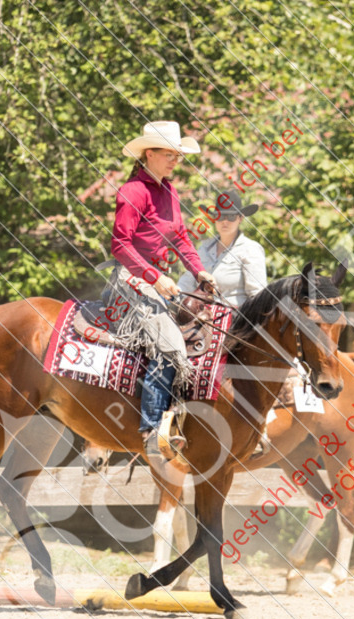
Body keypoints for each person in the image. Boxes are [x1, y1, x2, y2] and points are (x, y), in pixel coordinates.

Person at [106, 121, 217, 457]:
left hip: (160, 282)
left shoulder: (169, 191)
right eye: (168, 154)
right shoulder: (133, 191)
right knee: (170, 347)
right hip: (132, 281)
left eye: (177, 155)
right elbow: (120, 245)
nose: (174, 160)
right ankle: (152, 430)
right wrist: (154, 276)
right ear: (148, 154)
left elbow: (180, 237)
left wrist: (199, 271)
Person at [177, 192, 268, 306]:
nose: (225, 221)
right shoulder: (204, 247)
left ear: (240, 218)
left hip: (236, 314)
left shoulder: (251, 249)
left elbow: (257, 295)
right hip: (199, 312)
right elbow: (186, 282)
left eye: (231, 217)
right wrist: (174, 295)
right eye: (219, 216)